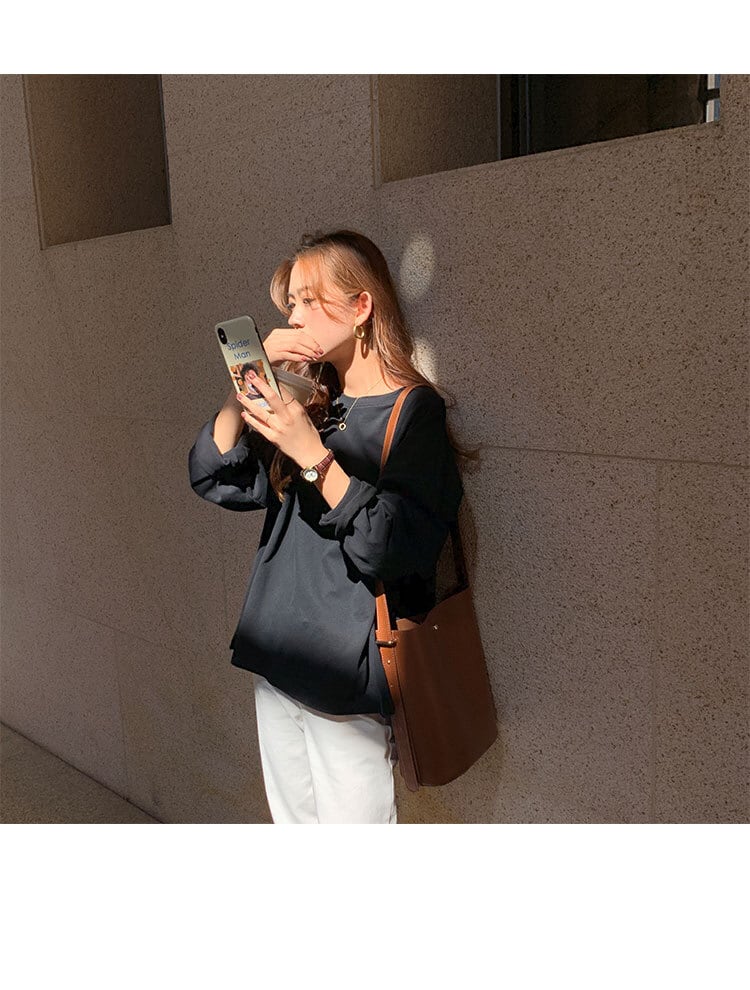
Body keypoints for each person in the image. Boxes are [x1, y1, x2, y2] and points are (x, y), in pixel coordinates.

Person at [188, 229, 471, 824]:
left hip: (346, 669)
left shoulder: (412, 412)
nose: (292, 317)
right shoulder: (313, 402)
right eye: (289, 303)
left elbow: (392, 547)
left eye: (307, 301)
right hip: (276, 653)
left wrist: (313, 456)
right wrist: (246, 387)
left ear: (361, 306)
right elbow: (216, 476)